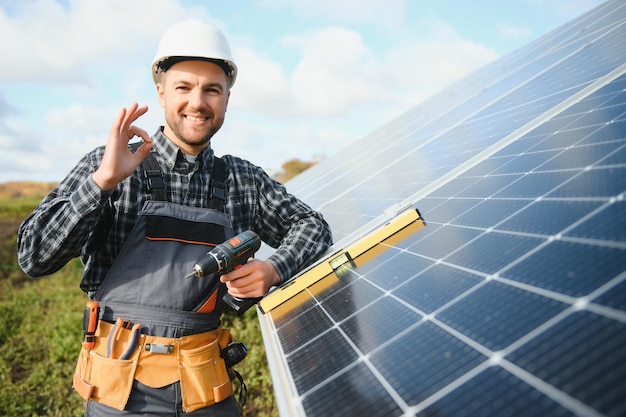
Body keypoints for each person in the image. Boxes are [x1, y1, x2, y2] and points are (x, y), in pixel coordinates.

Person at [17, 19, 332, 416]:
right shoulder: (109, 162)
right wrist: (101, 183)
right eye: (184, 87)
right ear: (161, 92)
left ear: (227, 99)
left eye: (212, 90)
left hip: (208, 388)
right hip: (119, 392)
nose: (197, 102)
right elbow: (33, 256)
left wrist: (274, 269)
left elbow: (314, 226)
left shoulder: (243, 179)